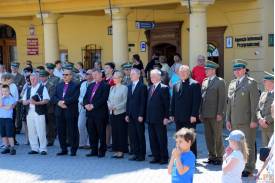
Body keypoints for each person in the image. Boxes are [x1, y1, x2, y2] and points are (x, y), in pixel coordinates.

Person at [226, 59, 259, 177]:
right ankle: (239, 165)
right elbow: (229, 103)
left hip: (247, 121)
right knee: (237, 144)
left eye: (239, 69)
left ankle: (249, 167)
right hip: (234, 120)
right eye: (235, 69)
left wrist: (254, 120)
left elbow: (255, 103)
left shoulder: (251, 83)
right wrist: (228, 119)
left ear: (244, 70)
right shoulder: (232, 83)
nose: (237, 72)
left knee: (248, 144)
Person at [170, 65, 201, 157]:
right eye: (181, 72)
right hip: (178, 117)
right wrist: (172, 113)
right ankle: (181, 156)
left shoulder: (194, 84)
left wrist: (194, 115)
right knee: (179, 138)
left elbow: (197, 101)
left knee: (190, 138)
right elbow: (173, 100)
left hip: (189, 117)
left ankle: (192, 157)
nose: (182, 73)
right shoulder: (176, 84)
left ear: (189, 73)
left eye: (185, 72)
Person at [200, 61, 226, 165]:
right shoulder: (205, 81)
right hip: (206, 114)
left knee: (217, 136)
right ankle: (212, 156)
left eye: (207, 69)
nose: (205, 71)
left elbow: (222, 99)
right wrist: (200, 112)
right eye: (205, 69)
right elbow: (202, 98)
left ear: (213, 70)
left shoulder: (220, 81)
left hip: (215, 114)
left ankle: (220, 157)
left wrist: (220, 113)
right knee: (208, 136)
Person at [53, 65, 80, 156]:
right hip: (59, 112)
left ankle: (73, 149)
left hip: (70, 111)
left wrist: (64, 102)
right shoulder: (59, 85)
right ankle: (63, 149)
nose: (64, 76)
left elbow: (75, 97)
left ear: (71, 76)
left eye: (67, 75)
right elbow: (54, 97)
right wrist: (59, 102)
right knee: (61, 131)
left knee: (72, 131)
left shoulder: (76, 85)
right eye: (63, 74)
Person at [83, 69, 110, 158]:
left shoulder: (105, 85)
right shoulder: (90, 85)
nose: (94, 77)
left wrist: (93, 105)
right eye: (93, 75)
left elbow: (104, 98)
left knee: (101, 133)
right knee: (91, 132)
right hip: (90, 113)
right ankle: (93, 150)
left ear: (101, 75)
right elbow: (85, 97)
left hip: (100, 113)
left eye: (96, 75)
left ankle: (102, 151)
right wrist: (86, 104)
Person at [22, 73, 49, 155]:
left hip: (39, 112)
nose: (32, 80)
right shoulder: (28, 89)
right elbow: (23, 102)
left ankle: (43, 149)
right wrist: (27, 102)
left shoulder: (42, 88)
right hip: (29, 112)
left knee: (41, 130)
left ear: (38, 79)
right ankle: (34, 148)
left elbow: (46, 100)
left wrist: (35, 103)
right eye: (31, 79)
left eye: (34, 79)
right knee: (31, 131)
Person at [147, 69, 170, 164]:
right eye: (151, 76)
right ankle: (156, 156)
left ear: (159, 77)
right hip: (150, 118)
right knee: (152, 139)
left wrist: (166, 117)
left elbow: (167, 104)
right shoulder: (150, 87)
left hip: (160, 118)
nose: (152, 78)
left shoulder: (164, 88)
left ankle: (164, 157)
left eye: (154, 76)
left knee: (161, 139)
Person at [125, 68, 147, 161]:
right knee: (133, 135)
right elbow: (128, 101)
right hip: (131, 115)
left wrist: (141, 115)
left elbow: (143, 102)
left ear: (138, 75)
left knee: (140, 135)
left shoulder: (142, 86)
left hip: (138, 115)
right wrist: (127, 114)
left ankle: (141, 155)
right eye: (131, 74)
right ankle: (135, 153)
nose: (131, 75)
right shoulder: (129, 86)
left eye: (133, 74)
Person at [107, 71, 128, 158]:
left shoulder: (124, 88)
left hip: (120, 112)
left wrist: (116, 107)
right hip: (112, 112)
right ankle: (116, 149)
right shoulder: (112, 88)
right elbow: (108, 99)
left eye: (116, 77)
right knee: (114, 131)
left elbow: (125, 101)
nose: (114, 79)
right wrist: (109, 106)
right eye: (113, 77)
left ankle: (121, 151)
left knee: (121, 132)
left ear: (120, 78)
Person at [39, 70, 57, 147]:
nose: (41, 78)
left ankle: (50, 140)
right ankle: (42, 139)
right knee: (41, 124)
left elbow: (51, 97)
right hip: (40, 107)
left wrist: (42, 103)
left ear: (47, 77)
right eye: (40, 76)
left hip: (49, 107)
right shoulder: (39, 85)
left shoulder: (51, 85)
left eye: (43, 76)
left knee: (50, 125)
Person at [257, 71, 274, 147]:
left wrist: (266, 120)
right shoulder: (264, 94)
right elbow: (258, 109)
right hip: (263, 128)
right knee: (265, 149)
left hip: (272, 127)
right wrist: (260, 119)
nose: (264, 83)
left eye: (265, 81)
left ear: (272, 82)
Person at [78, 69, 94, 149]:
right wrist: (81, 101)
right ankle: (82, 142)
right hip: (82, 107)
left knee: (91, 126)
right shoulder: (83, 84)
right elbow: (80, 96)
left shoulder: (95, 83)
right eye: (87, 74)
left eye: (90, 74)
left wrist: (89, 104)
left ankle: (89, 143)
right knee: (80, 125)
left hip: (92, 107)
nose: (88, 75)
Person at [0, 85, 17, 155]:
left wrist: (2, 106)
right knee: (3, 134)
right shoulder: (1, 98)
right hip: (1, 118)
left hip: (8, 119)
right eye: (3, 91)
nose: (5, 92)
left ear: (9, 91)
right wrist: (1, 99)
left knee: (9, 134)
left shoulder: (11, 98)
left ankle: (12, 148)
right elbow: (1, 105)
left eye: (6, 91)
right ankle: (6, 147)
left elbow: (9, 108)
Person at [11, 62, 25, 135]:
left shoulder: (21, 76)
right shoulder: (8, 76)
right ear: (11, 68)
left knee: (18, 113)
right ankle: (11, 127)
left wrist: (17, 87)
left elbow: (23, 87)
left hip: (18, 97)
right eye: (13, 67)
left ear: (17, 68)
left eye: (15, 68)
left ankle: (18, 128)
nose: (14, 69)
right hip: (9, 98)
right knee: (11, 112)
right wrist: (17, 86)